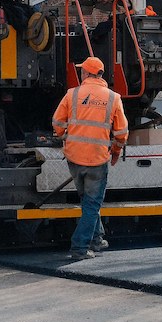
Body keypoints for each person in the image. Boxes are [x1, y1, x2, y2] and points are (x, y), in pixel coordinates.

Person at [51, 56, 129, 260]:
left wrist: (65, 137)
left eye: (81, 71)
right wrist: (116, 152)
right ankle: (79, 247)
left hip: (74, 157)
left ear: (86, 73)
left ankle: (96, 238)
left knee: (88, 201)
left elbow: (57, 122)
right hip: (97, 159)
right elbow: (122, 133)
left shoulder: (72, 94)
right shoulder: (113, 98)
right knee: (92, 203)